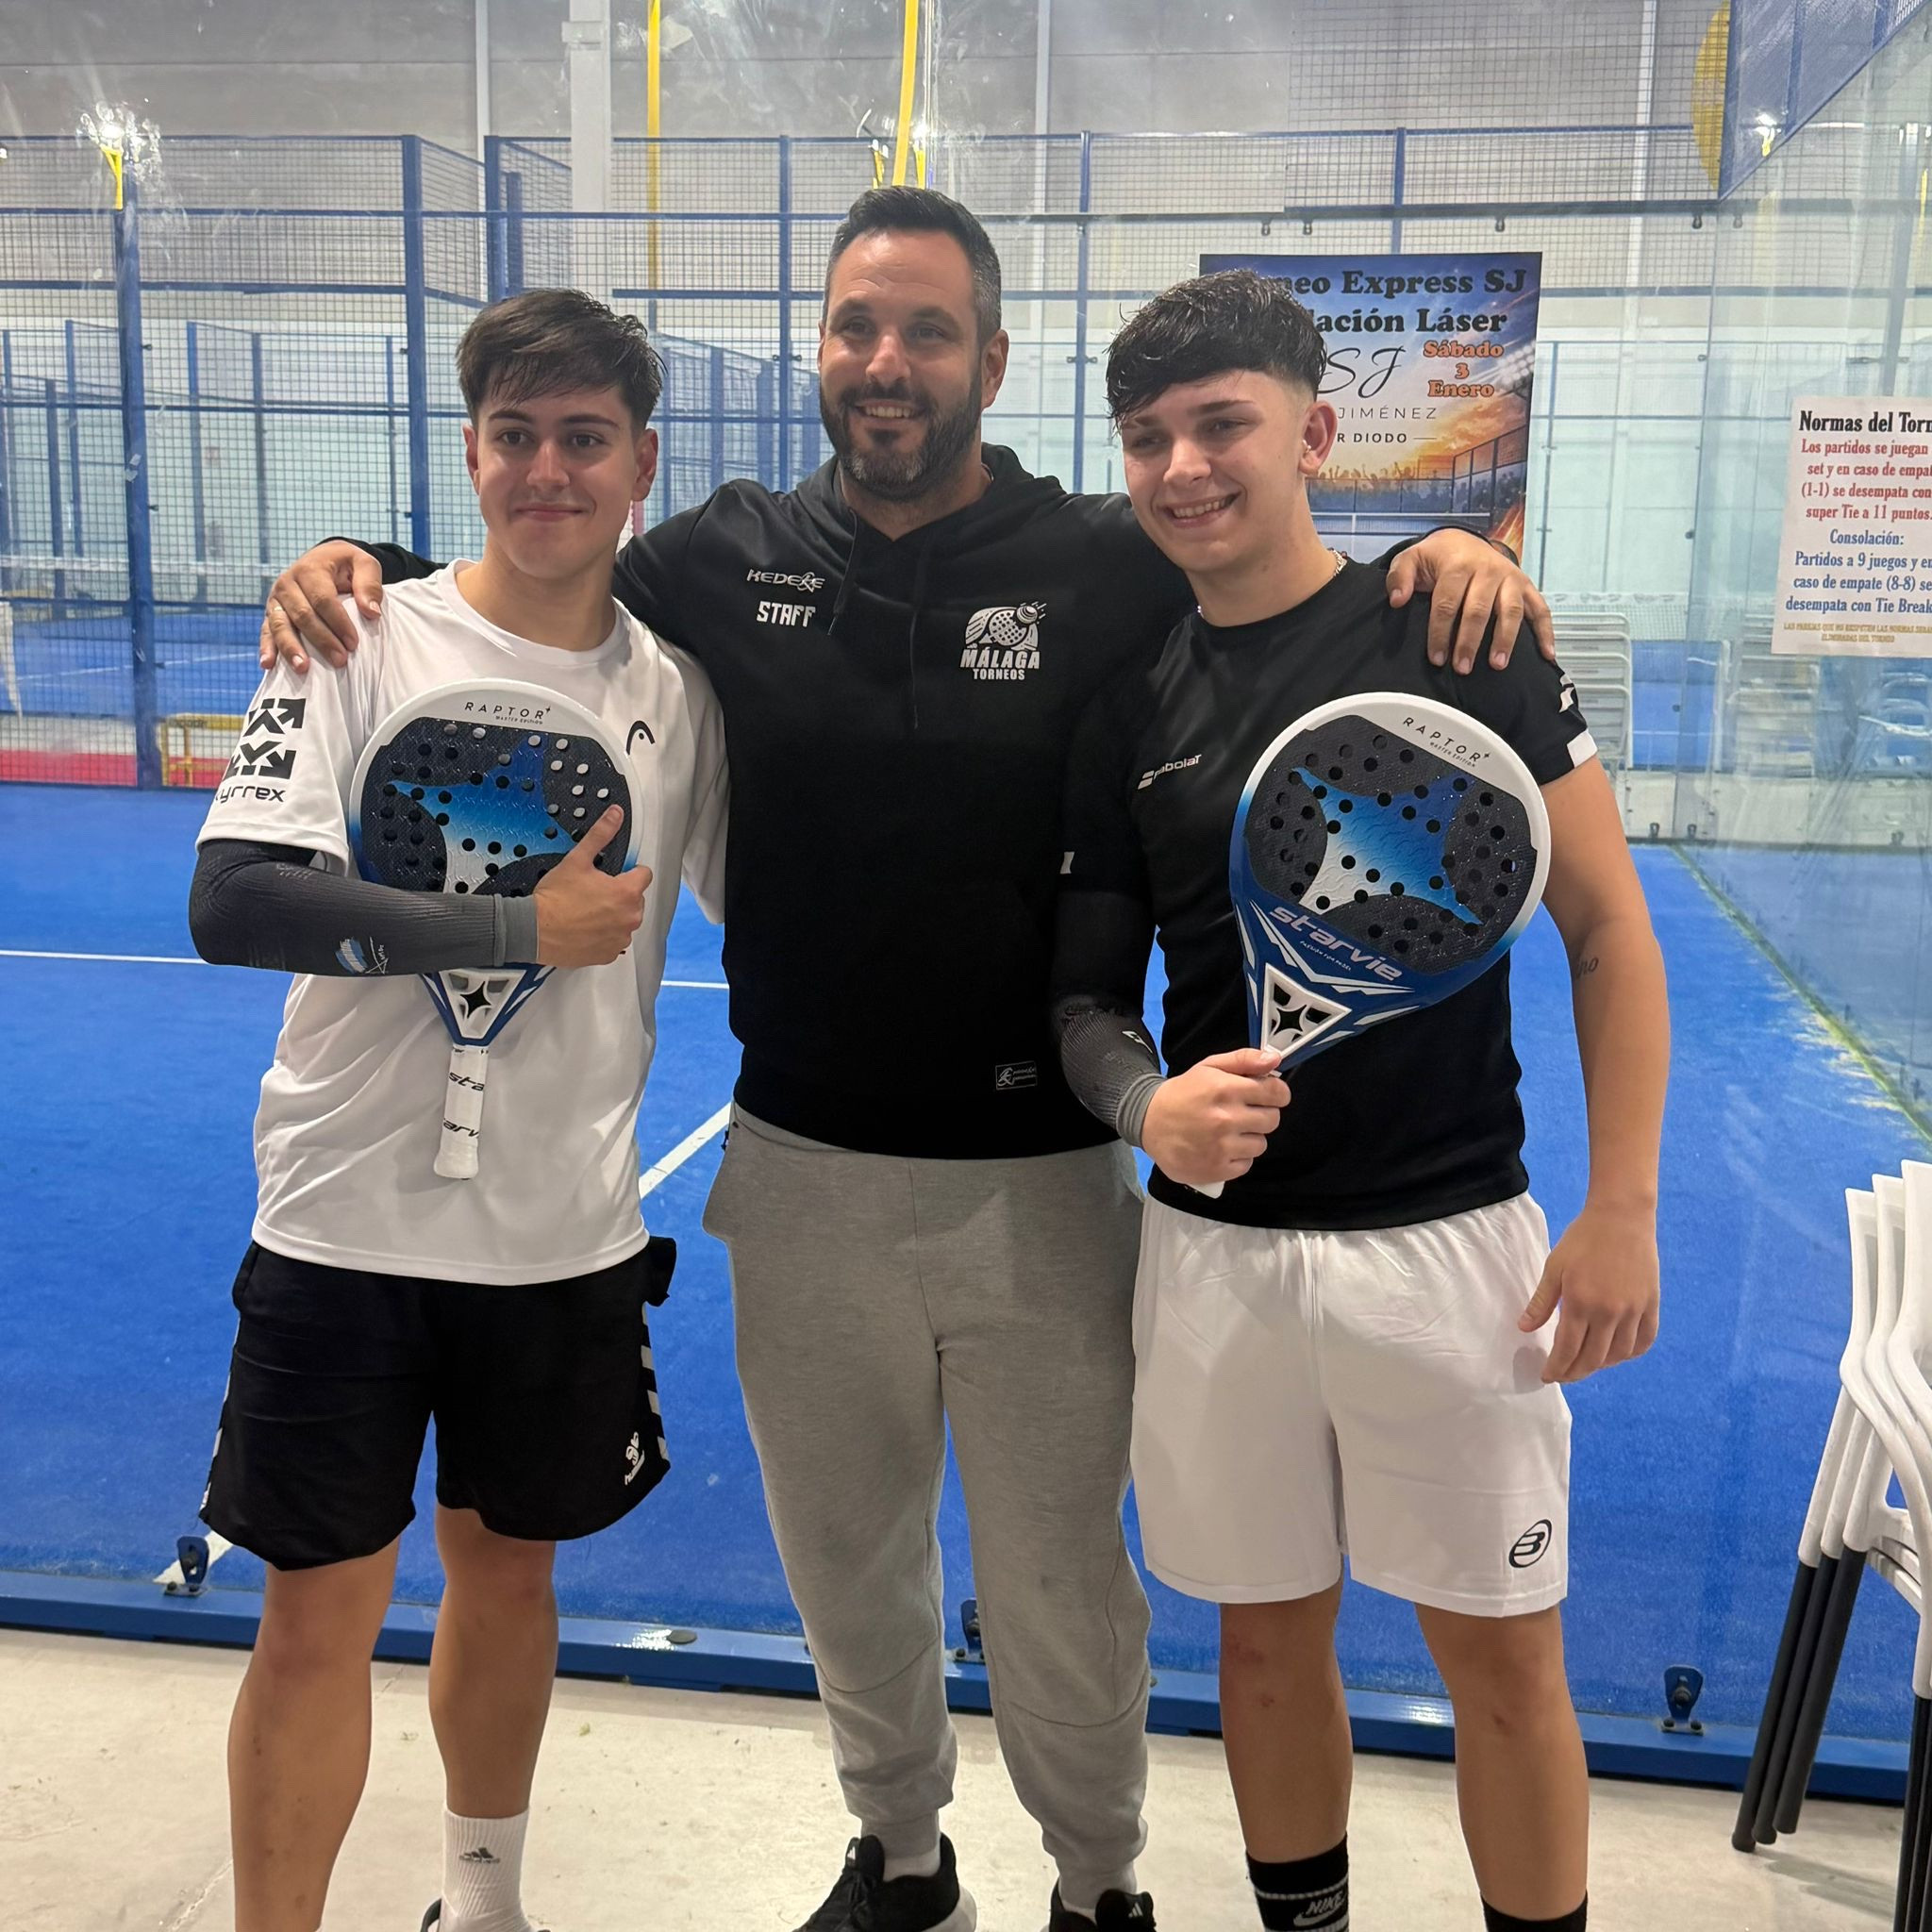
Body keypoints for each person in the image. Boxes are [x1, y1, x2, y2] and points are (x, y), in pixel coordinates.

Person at [258, 190, 1556, 1932]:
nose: (887, 362)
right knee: (849, 1576)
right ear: (822, 351)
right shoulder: (717, 555)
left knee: (1060, 1590)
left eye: (928, 331)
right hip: (802, 1175)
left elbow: (1281, 576)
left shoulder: (1103, 556)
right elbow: (528, 561)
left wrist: (1442, 554)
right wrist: (347, 555)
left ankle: (1099, 1884)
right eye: (857, 327)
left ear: (990, 362)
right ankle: (902, 1860)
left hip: (1048, 1187)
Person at [1051, 269, 1668, 1932]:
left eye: (1223, 425)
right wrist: (1146, 1108)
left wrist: (1622, 1208)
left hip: (1454, 1255)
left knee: (1504, 1665)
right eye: (1148, 438)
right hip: (1218, 1261)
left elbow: (1607, 932)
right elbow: (1087, 1003)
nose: (1184, 467)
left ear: (1317, 433)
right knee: (1263, 1647)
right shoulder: (1129, 705)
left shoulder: (1459, 633)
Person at [189, 288, 727, 1932]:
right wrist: (508, 932)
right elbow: (237, 901)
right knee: (314, 1616)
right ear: (473, 450)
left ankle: (481, 1903)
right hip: (342, 1223)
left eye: (585, 440)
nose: (547, 471)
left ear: (641, 465)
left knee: (510, 1578)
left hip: (560, 1234)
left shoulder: (684, 696)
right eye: (515, 436)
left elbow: (791, 899)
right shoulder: (355, 635)